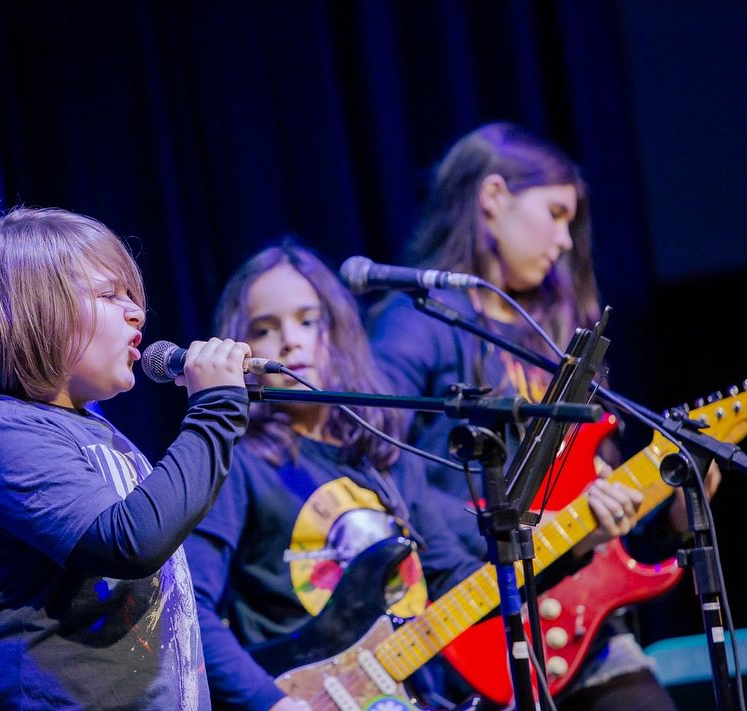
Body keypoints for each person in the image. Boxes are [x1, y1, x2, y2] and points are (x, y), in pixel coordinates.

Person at [185, 242, 643, 711]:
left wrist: (576, 542)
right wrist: (272, 703)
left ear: (339, 330)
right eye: (265, 329)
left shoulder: (384, 458)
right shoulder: (237, 464)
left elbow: (459, 586)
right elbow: (191, 609)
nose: (290, 341)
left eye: (308, 320)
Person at [370, 122, 719, 709]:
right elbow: (379, 459)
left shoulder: (554, 333)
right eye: (556, 213)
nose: (565, 240)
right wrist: (486, 558)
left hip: (590, 631)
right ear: (494, 197)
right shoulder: (418, 324)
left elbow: (596, 503)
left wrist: (673, 510)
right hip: (477, 621)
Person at [0, 206, 251, 710]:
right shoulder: (2, 433)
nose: (136, 312)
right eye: (109, 295)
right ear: (35, 309)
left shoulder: (100, 433)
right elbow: (130, 542)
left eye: (132, 296)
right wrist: (214, 411)